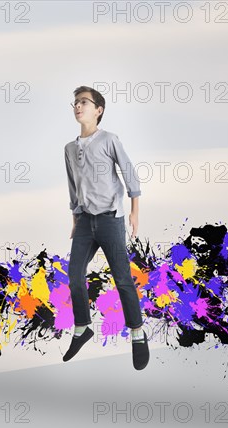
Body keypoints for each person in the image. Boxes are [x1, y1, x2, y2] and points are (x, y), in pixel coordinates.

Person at [63, 85, 149, 370]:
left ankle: (137, 334)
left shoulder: (109, 140)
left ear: (98, 110)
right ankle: (82, 327)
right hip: (86, 222)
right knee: (74, 275)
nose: (78, 106)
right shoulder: (69, 149)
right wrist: (76, 219)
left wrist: (134, 213)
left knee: (122, 279)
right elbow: (74, 188)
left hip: (111, 220)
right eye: (75, 102)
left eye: (84, 102)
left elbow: (129, 174)